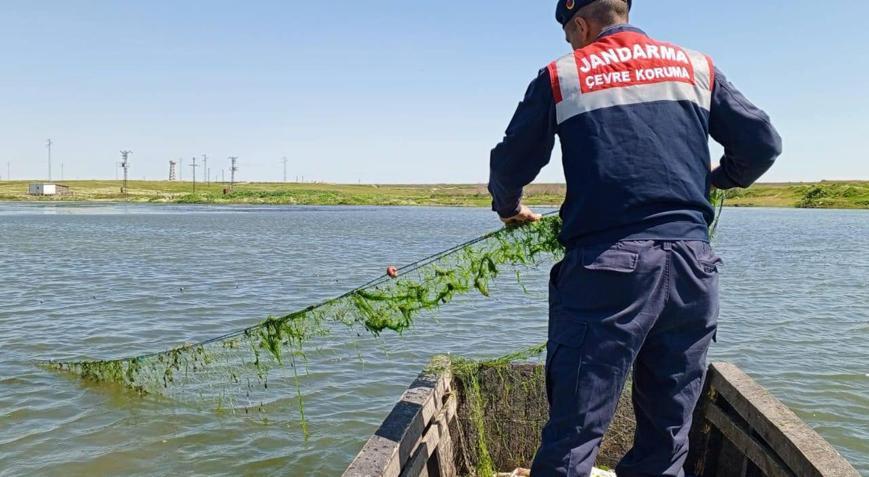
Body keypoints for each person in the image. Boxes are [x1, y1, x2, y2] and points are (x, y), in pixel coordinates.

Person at [487, 1, 782, 476]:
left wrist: (510, 208)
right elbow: (763, 144)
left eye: (569, 35)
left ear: (579, 24)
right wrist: (719, 179)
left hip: (607, 269)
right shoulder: (695, 66)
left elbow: (509, 162)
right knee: (667, 435)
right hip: (693, 269)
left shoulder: (563, 74)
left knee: (574, 433)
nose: (570, 44)